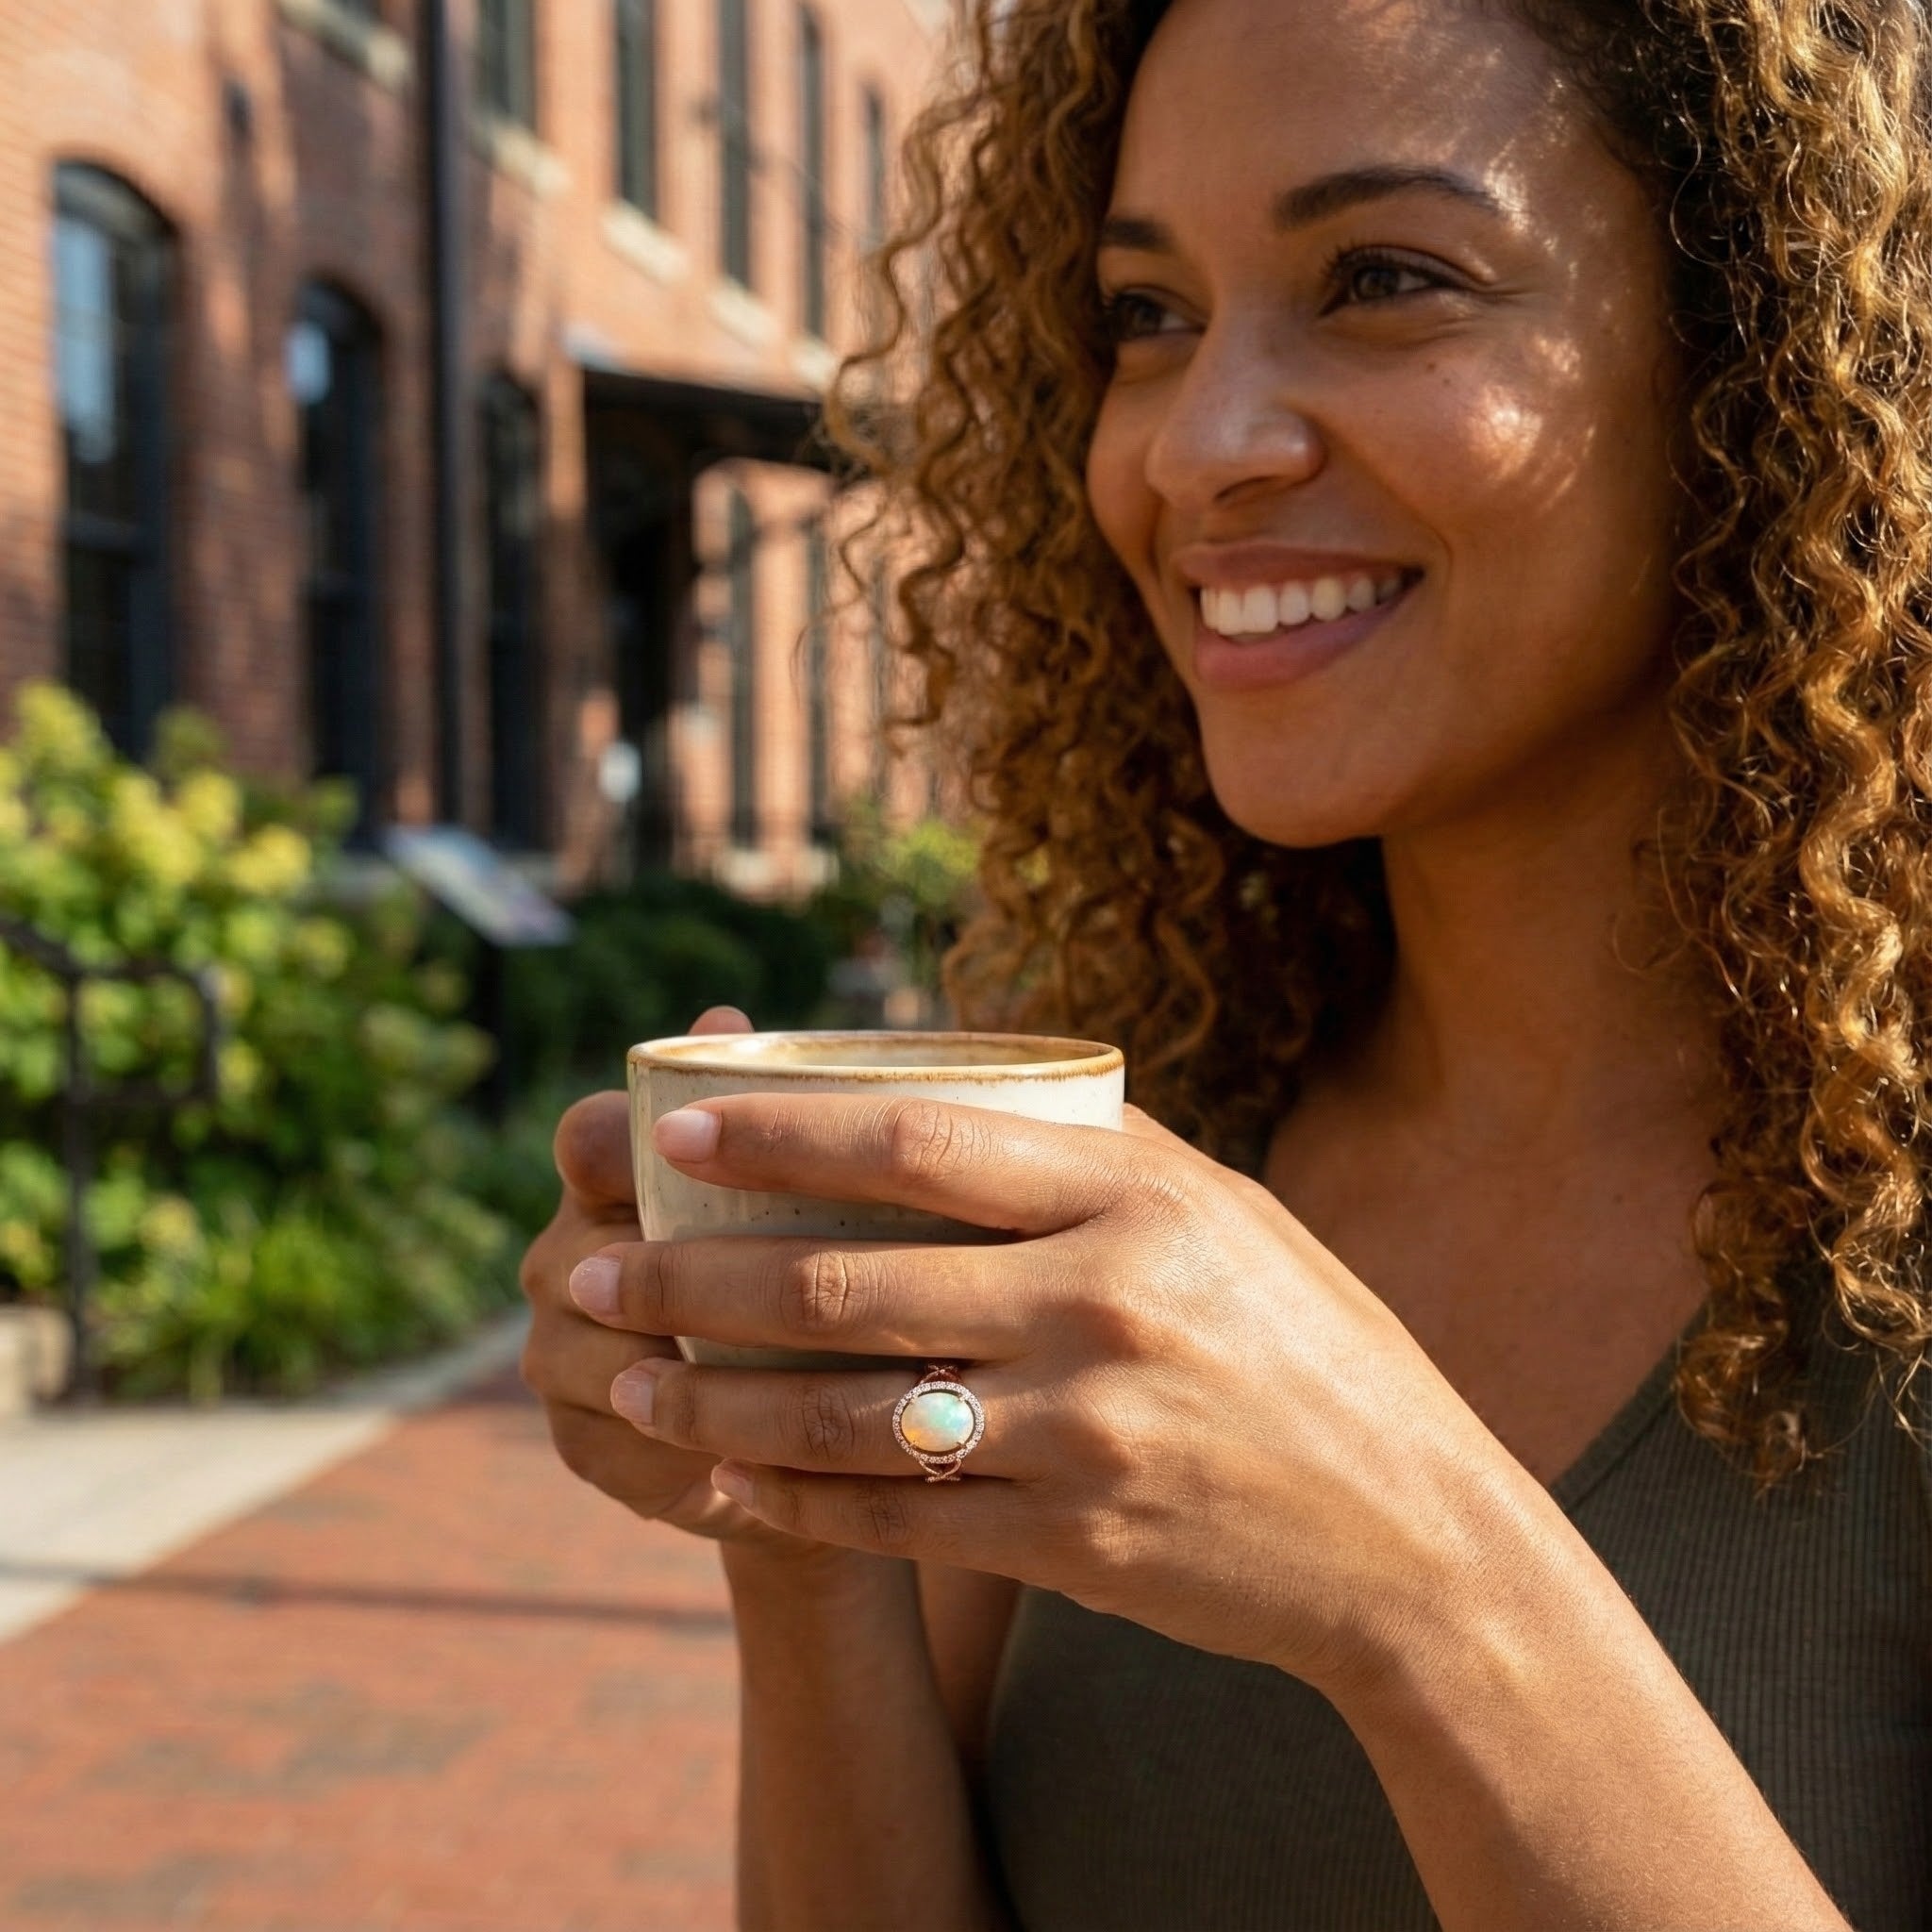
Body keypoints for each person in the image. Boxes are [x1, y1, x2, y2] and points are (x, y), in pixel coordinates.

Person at [518, 0, 1932, 1923]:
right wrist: (792, 1498)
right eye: (1146, 316)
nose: (1197, 447)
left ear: (1769, 357)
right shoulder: (1160, 1143)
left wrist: (1420, 1586)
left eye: (1385, 279)